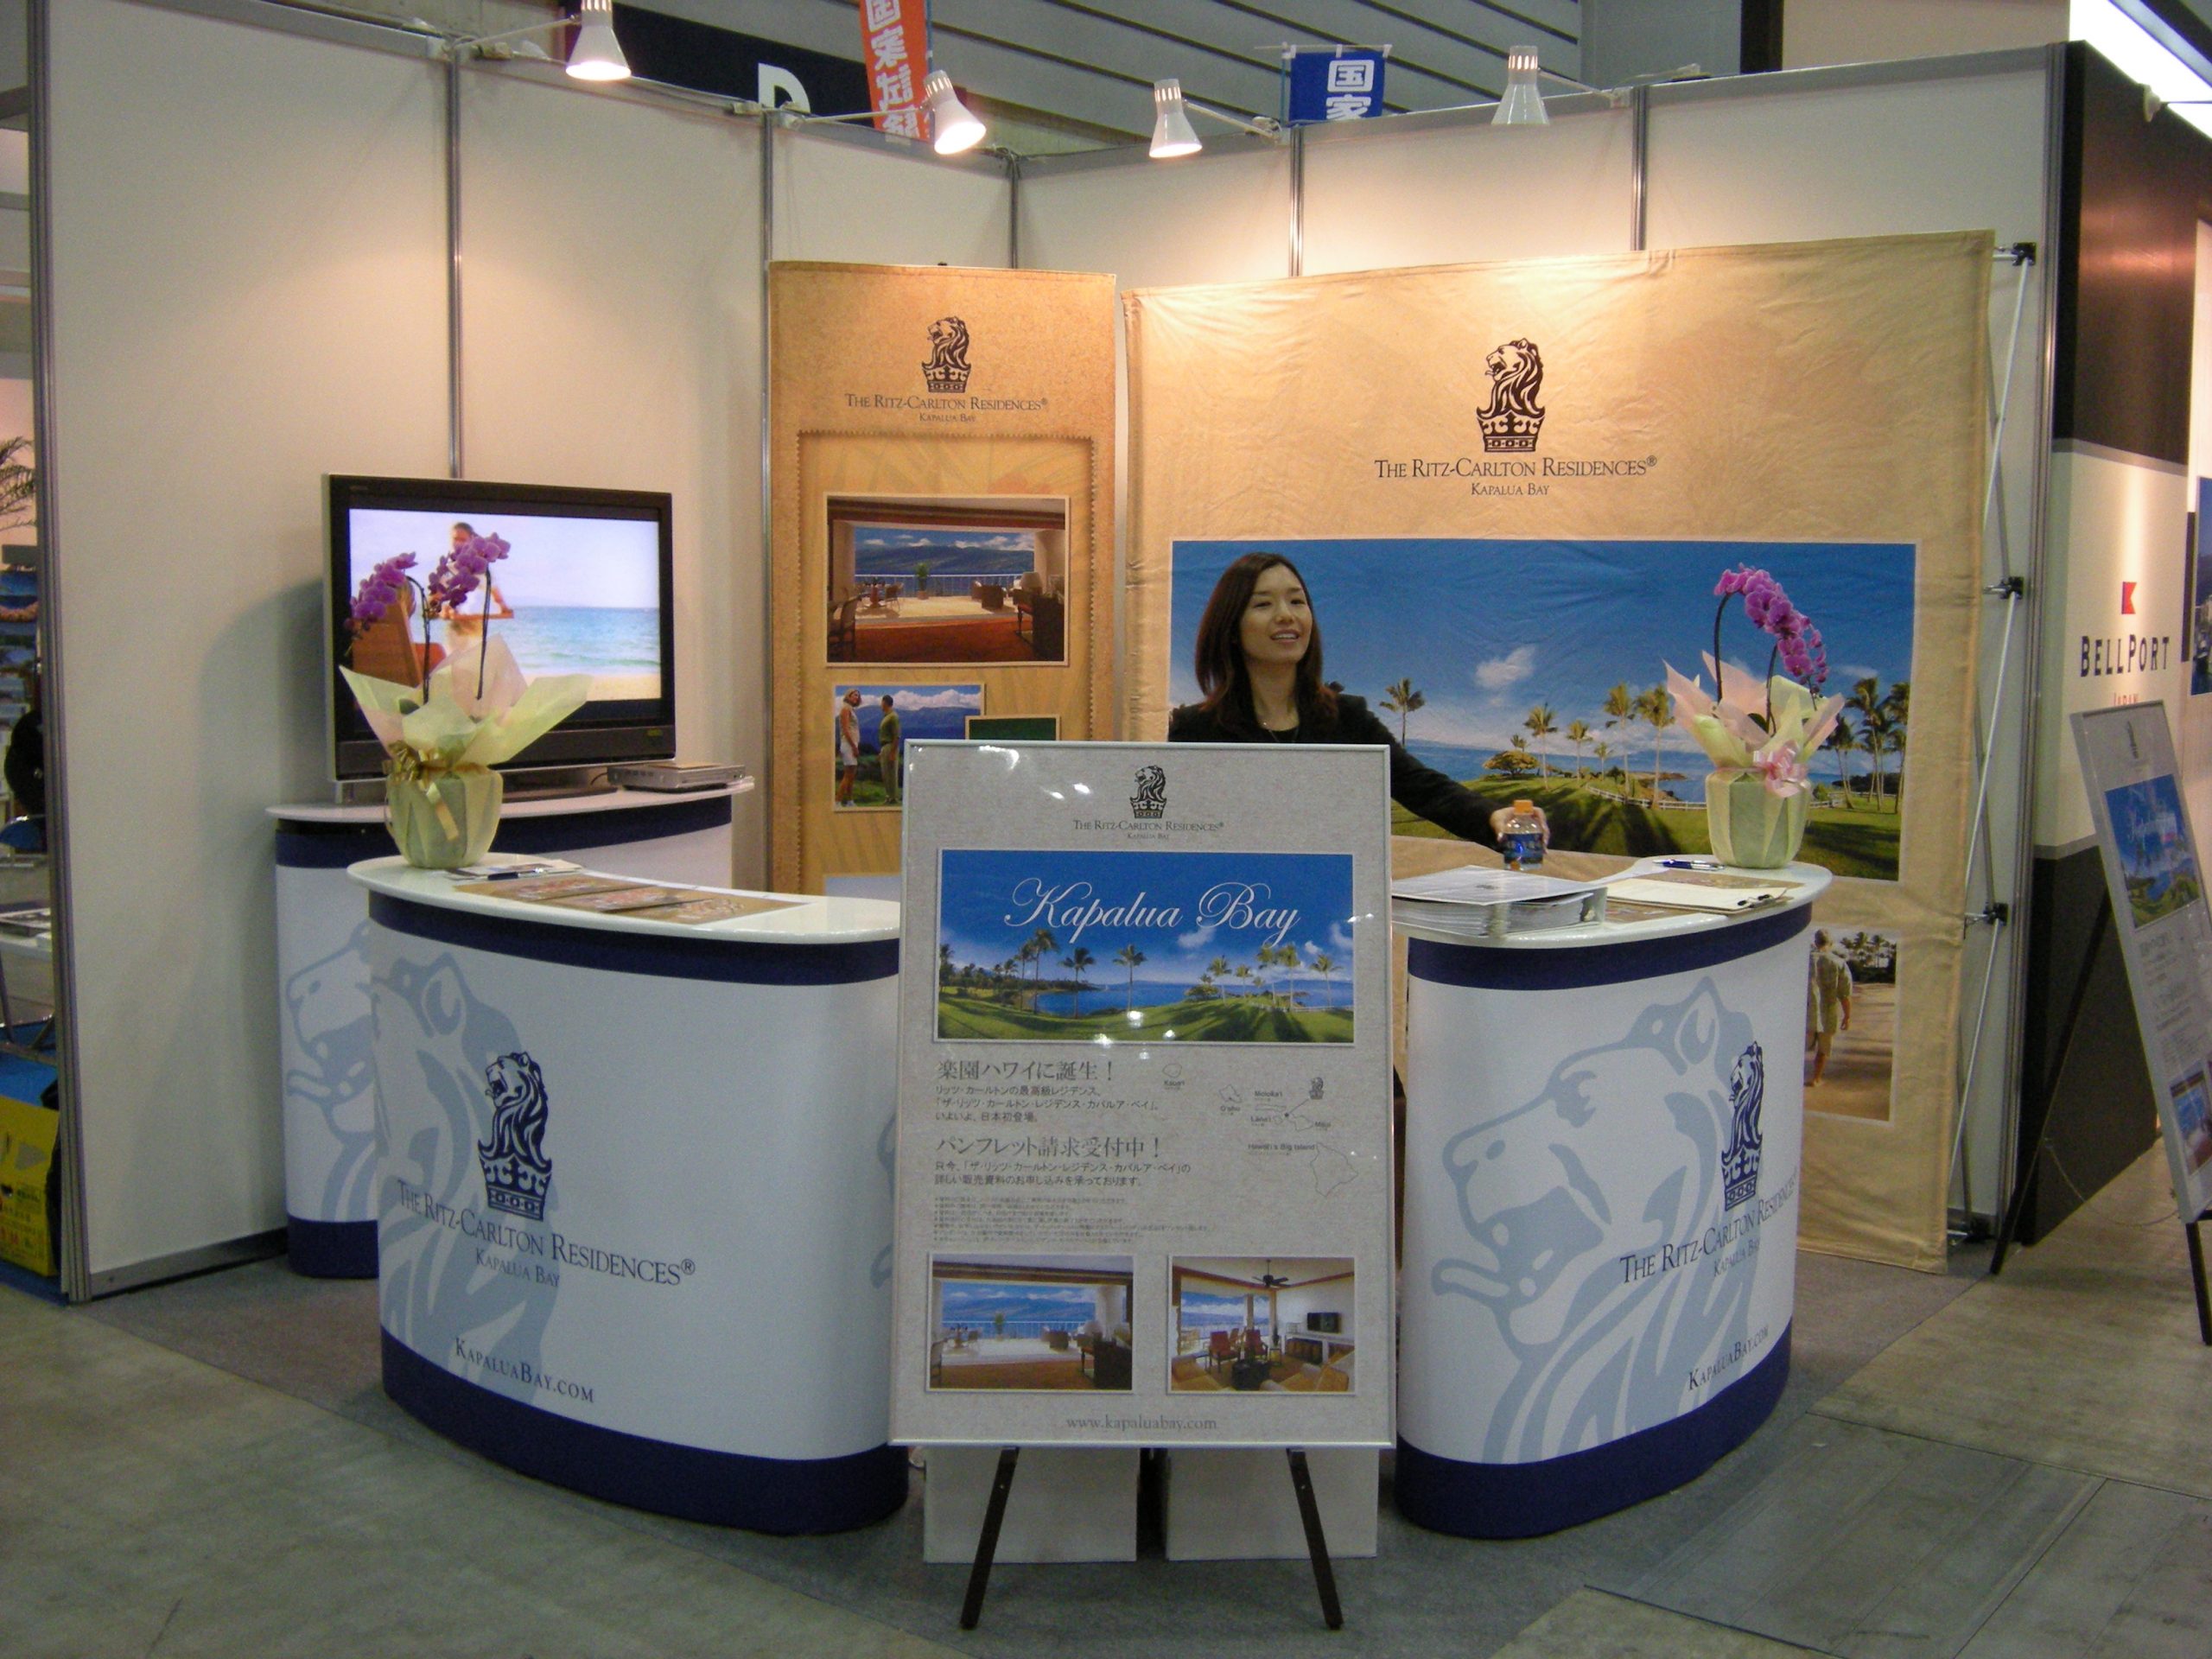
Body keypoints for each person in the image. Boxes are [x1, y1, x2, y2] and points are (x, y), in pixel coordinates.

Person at [1166, 551, 1542, 849]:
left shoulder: (1349, 718)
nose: (1286, 616)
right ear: (1231, 627)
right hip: (1233, 904)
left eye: (1297, 602)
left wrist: (1493, 816)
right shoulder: (1195, 730)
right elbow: (1178, 834)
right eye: (1263, 605)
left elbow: (1423, 788)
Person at [1805, 929, 1853, 1085]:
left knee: (1800, 1047)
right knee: (1823, 1049)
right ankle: (1816, 1079)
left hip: (1806, 1012)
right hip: (1828, 1012)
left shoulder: (1804, 961)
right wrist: (1847, 1016)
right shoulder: (1839, 963)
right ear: (1831, 944)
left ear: (1815, 943)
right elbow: (1845, 994)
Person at [835, 688, 863, 805]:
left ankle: (850, 801)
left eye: (858, 695)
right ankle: (837, 801)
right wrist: (854, 747)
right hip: (848, 744)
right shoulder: (845, 709)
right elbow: (846, 730)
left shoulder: (850, 709)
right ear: (848, 696)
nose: (857, 697)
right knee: (848, 775)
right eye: (854, 695)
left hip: (852, 744)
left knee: (851, 775)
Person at [876, 694, 904, 807]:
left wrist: (892, 752)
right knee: (885, 773)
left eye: (882, 702)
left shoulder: (893, 717)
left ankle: (893, 797)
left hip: (890, 746)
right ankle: (889, 796)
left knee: (891, 772)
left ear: (885, 703)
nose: (880, 705)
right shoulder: (886, 716)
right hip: (885, 746)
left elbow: (896, 736)